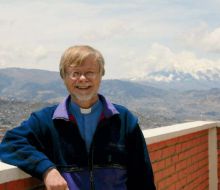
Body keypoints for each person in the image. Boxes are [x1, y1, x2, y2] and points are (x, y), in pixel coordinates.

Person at [0, 45, 156, 190]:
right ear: (64, 77)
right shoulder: (47, 120)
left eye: (90, 72)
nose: (82, 79)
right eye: (75, 73)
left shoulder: (123, 120)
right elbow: (10, 143)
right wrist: (47, 170)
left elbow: (143, 177)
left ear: (101, 75)